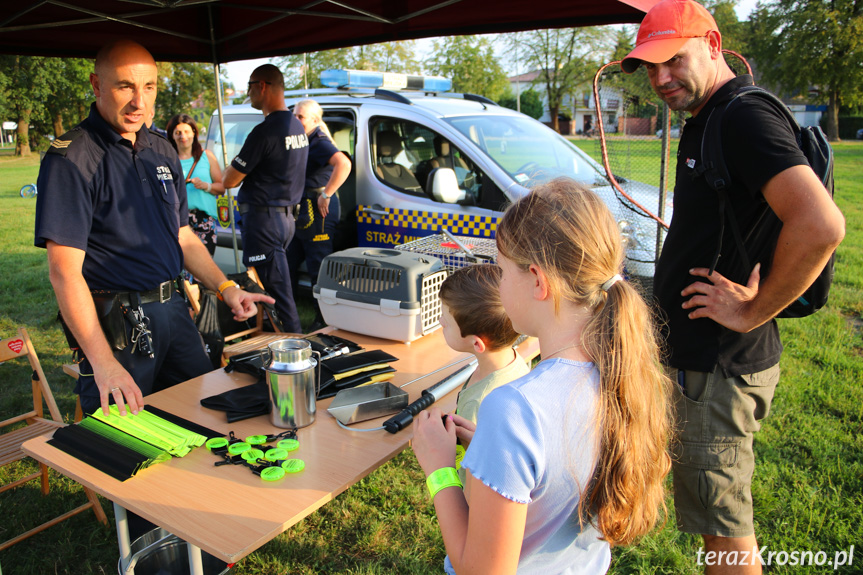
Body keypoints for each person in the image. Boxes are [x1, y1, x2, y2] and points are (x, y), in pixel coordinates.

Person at [620, 1, 845, 572]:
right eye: (650, 67)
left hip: (719, 366)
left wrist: (752, 311)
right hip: (702, 363)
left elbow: (821, 226)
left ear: (714, 46)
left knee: (726, 534)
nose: (660, 78)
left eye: (673, 60)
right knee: (712, 516)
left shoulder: (742, 117)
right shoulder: (712, 115)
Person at [412, 179, 672, 574]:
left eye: (501, 272)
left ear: (537, 280)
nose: (498, 286)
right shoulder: (621, 374)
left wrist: (440, 469)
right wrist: (490, 450)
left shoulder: (515, 409)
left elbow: (480, 570)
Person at [34, 39, 273, 417]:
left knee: (206, 416)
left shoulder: (161, 149)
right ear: (96, 85)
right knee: (124, 445)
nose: (139, 102)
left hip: (174, 312)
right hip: (117, 327)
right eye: (125, 86)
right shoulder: (72, 158)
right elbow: (64, 273)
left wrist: (226, 288)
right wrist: (103, 362)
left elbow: (182, 235)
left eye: (149, 87)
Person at [223, 64, 308, 334]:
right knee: (279, 290)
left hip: (264, 222)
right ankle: (277, 347)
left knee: (275, 297)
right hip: (284, 219)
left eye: (249, 86)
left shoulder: (265, 131)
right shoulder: (297, 125)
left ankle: (295, 354)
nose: (248, 93)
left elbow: (229, 180)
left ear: (262, 86)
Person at [436, 264, 530, 486]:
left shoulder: (479, 404)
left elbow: (473, 473)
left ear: (477, 344)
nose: (440, 322)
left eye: (446, 322)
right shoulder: (511, 359)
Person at [287, 99, 351, 331]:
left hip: (318, 209)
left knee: (318, 267)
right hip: (301, 208)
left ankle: (323, 320)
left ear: (315, 120)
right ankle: (288, 315)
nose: (296, 119)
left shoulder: (319, 141)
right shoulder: (300, 140)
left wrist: (327, 193)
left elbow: (343, 164)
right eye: (294, 115)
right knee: (288, 261)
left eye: (300, 116)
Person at [167, 113, 225, 258]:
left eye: (186, 131)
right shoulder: (168, 160)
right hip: (178, 221)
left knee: (203, 269)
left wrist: (206, 186)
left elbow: (221, 187)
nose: (182, 136)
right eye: (178, 133)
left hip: (204, 220)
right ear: (172, 136)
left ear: (194, 132)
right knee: (183, 271)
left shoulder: (207, 156)